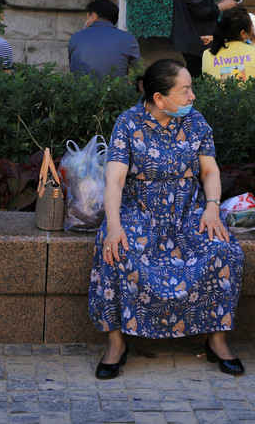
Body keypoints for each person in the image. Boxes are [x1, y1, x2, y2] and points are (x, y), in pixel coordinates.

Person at [88, 58, 246, 379]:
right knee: (114, 250)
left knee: (224, 250)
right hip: (139, 211)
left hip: (187, 211)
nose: (192, 96)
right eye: (185, 90)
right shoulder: (128, 122)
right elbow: (115, 180)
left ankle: (217, 340)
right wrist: (114, 225)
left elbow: (210, 171)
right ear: (160, 98)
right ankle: (116, 343)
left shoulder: (195, 122)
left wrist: (212, 207)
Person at [68, 0, 140, 79]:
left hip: (81, 87)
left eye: (87, 17)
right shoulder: (129, 39)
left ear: (93, 16)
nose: (86, 21)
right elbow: (135, 75)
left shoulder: (75, 37)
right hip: (116, 87)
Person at [201, 7, 255, 81]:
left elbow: (227, 83)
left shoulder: (207, 55)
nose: (252, 28)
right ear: (243, 33)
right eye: (251, 25)